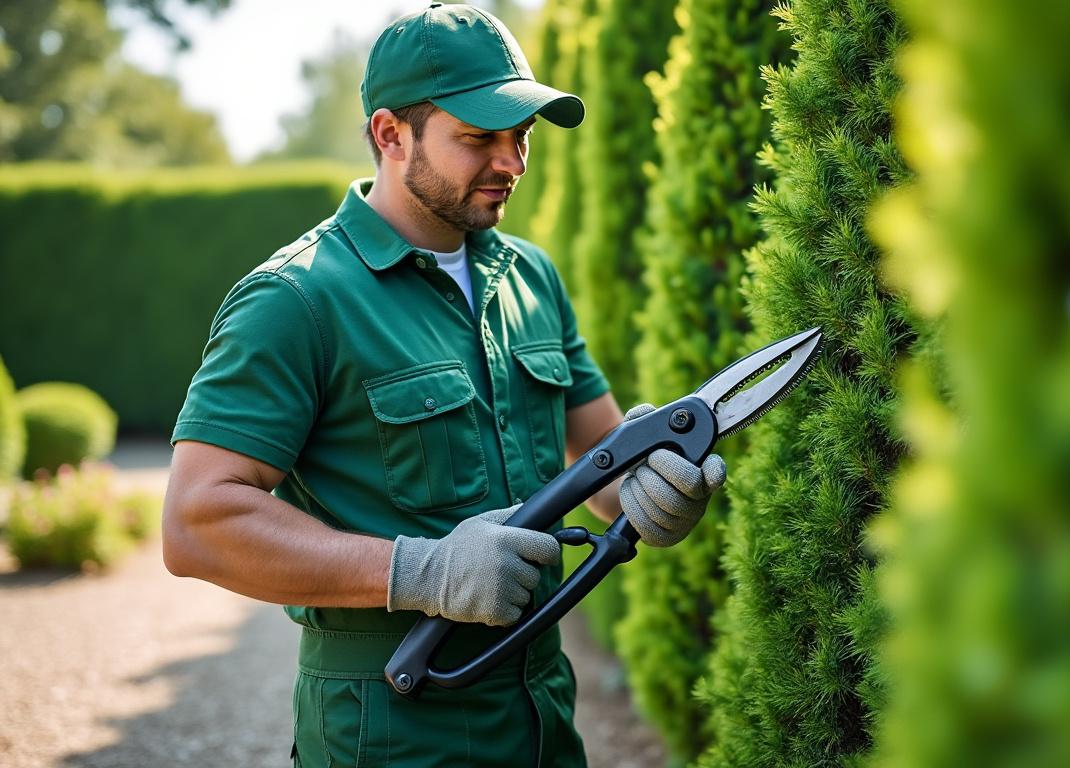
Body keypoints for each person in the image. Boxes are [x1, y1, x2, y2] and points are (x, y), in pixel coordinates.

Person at [161, 5, 727, 766]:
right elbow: (197, 522)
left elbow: (602, 461)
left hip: (544, 716)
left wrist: (655, 489)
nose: (514, 162)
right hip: (389, 728)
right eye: (479, 138)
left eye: (521, 135)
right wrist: (417, 571)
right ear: (391, 134)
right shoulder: (296, 300)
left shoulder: (530, 277)